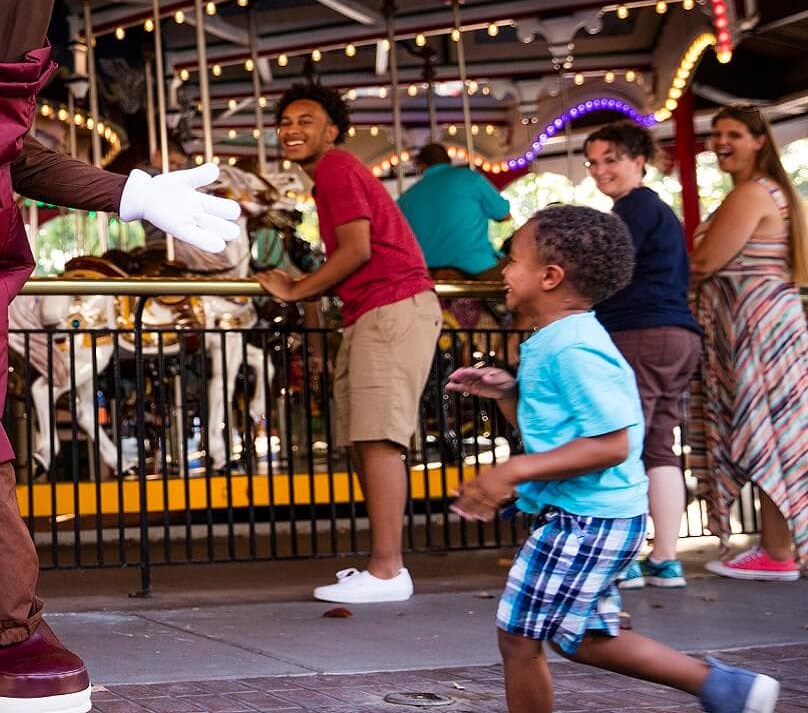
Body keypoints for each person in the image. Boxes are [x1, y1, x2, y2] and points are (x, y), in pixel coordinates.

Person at [446, 205, 779, 713]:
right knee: (581, 637)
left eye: (512, 258)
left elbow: (613, 444)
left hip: (589, 520)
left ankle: (722, 686)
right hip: (589, 516)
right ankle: (724, 688)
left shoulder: (575, 347)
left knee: (519, 637)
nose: (503, 269)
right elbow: (554, 435)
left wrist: (510, 471)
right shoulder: (554, 341)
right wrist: (511, 395)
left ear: (551, 276)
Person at [257, 82, 440, 603]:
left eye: (306, 120)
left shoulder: (337, 167)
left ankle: (388, 571)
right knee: (365, 437)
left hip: (391, 303)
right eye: (286, 121)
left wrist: (295, 289)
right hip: (372, 309)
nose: (293, 129)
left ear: (332, 130)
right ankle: (381, 567)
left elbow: (357, 249)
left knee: (379, 437)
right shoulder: (329, 178)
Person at [690, 104, 808, 582]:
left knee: (770, 434)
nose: (721, 141)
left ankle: (779, 551)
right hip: (761, 322)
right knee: (777, 435)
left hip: (757, 326)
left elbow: (704, 262)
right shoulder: (767, 192)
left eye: (734, 133)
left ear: (759, 140)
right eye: (716, 133)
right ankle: (778, 547)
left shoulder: (753, 193)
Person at [581, 121, 702, 590]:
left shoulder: (633, 210)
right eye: (593, 162)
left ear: (638, 161)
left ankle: (624, 557)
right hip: (676, 334)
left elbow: (607, 272)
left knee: (624, 440)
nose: (600, 170)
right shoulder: (656, 211)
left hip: (640, 331)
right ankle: (665, 559)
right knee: (658, 444)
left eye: (611, 159)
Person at [397, 142, 511, 278]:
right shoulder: (470, 178)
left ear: (421, 165)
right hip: (476, 266)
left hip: (429, 272)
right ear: (448, 160)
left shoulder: (406, 197)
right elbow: (504, 215)